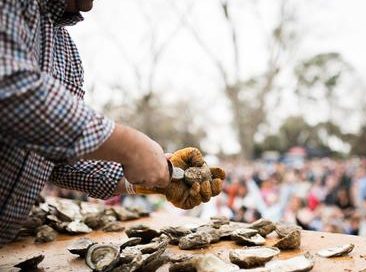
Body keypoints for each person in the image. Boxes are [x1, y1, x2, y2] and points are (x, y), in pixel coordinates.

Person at [0, 0, 220, 246]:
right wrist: (131, 147)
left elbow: (59, 161)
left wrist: (152, 180)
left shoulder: (67, 52)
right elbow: (9, 89)